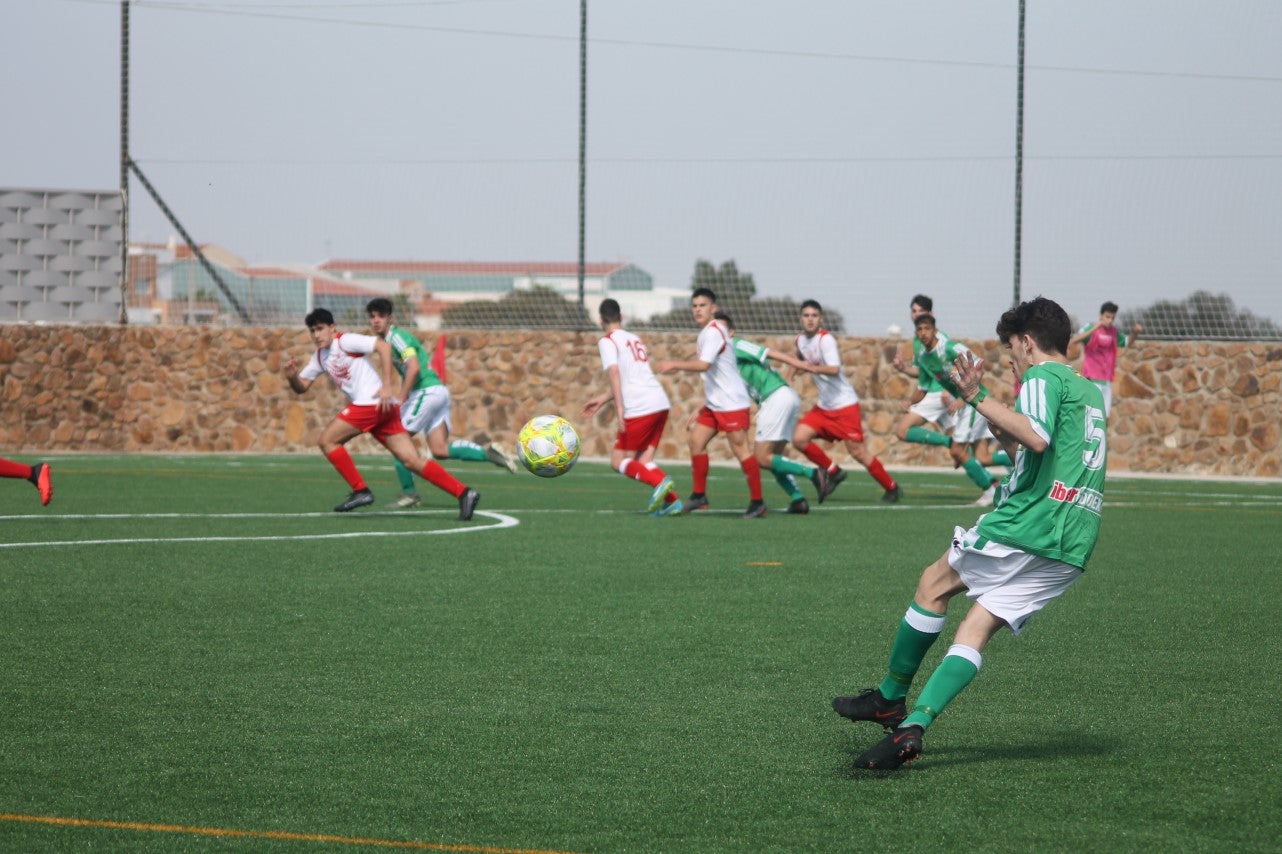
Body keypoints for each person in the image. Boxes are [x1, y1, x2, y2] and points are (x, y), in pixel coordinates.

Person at [832, 296, 1108, 770]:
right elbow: (1033, 450)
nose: (1013, 361)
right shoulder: (1089, 391)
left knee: (933, 583)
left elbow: (1036, 436)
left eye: (1013, 350)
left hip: (1029, 525)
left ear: (1027, 341)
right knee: (976, 626)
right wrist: (987, 413)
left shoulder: (1043, 376)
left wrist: (978, 396)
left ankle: (889, 697)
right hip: (1074, 541)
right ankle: (911, 728)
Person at [284, 308, 480, 520]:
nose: (316, 335)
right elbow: (301, 387)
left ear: (333, 328)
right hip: (384, 409)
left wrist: (387, 385)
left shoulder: (345, 341)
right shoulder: (320, 357)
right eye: (312, 331)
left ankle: (361, 490)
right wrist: (292, 378)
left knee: (327, 440)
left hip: (371, 404)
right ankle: (464, 493)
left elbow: (383, 347)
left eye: (320, 329)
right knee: (411, 460)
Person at [366, 298, 516, 508]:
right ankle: (489, 453)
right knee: (439, 450)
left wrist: (401, 396)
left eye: (380, 316)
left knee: (397, 438)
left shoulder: (396, 337)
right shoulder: (391, 340)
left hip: (426, 392)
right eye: (372, 317)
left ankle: (409, 493)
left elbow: (414, 367)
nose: (375, 321)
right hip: (437, 392)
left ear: (390, 318)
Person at [655, 288, 767, 518]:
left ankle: (758, 502)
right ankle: (699, 496)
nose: (698, 309)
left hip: (732, 403)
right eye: (694, 306)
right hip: (716, 404)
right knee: (696, 441)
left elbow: (704, 365)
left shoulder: (715, 331)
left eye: (702, 305)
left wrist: (675, 364)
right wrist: (703, 406)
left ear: (713, 308)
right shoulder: (706, 332)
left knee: (740, 450)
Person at [719, 311, 831, 514]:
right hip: (780, 397)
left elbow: (768, 352)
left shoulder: (734, 344)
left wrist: (797, 364)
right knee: (773, 459)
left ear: (731, 332)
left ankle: (813, 473)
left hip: (775, 397)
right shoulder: (721, 359)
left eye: (722, 330)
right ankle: (798, 499)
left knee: (761, 458)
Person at [790, 300, 901, 503]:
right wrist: (789, 377)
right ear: (801, 318)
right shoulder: (800, 340)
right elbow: (797, 358)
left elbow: (833, 369)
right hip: (824, 407)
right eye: (806, 315)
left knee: (857, 451)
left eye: (814, 315)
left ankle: (892, 487)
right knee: (798, 438)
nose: (810, 319)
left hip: (844, 405)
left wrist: (810, 368)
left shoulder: (826, 340)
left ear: (820, 319)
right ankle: (833, 471)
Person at [580, 298, 683, 516]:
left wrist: (619, 409)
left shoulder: (607, 341)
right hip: (659, 402)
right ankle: (673, 502)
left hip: (639, 406)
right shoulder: (634, 338)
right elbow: (632, 377)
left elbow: (615, 373)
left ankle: (660, 483)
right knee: (644, 460)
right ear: (621, 316)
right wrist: (602, 398)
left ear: (600, 320)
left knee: (619, 461)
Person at [905, 313, 1011, 506]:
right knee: (982, 457)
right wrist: (909, 402)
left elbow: (979, 365)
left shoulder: (949, 348)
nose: (923, 333)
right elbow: (923, 387)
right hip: (967, 403)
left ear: (935, 330)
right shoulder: (923, 357)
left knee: (957, 450)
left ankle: (990, 490)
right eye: (919, 330)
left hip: (973, 402)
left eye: (927, 328)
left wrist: (963, 399)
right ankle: (1016, 457)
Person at [891, 294, 954, 452]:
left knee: (902, 430)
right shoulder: (918, 341)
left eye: (921, 311)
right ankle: (989, 477)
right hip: (935, 393)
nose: (916, 314)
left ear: (931, 315)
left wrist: (948, 389)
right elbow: (922, 373)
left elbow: (954, 365)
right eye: (914, 311)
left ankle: (950, 443)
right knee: (961, 442)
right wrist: (903, 369)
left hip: (940, 394)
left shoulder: (941, 339)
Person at [1070, 301, 1142, 416]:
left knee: (1105, 417)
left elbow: (1127, 342)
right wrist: (1096, 327)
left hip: (1106, 381)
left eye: (1112, 318)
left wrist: (1135, 333)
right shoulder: (1091, 327)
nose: (1110, 320)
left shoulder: (1114, 332)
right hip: (1092, 380)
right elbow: (1075, 340)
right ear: (1101, 315)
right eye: (1107, 317)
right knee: (1091, 416)